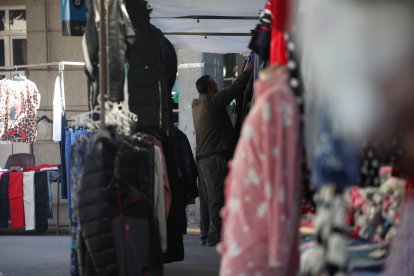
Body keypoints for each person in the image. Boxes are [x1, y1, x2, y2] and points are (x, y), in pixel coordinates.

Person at [192, 64, 253, 246]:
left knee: (205, 198)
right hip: (214, 156)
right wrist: (247, 72)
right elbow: (234, 89)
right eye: (214, 83)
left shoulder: (196, 104)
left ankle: (205, 234)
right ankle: (215, 236)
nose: (217, 84)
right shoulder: (212, 102)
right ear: (209, 87)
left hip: (202, 158)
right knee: (216, 197)